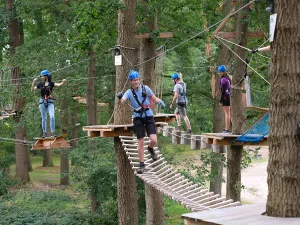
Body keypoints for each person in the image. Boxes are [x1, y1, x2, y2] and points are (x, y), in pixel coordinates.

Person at [116, 70, 166, 174]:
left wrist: (160, 102)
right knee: (140, 142)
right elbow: (123, 101)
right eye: (134, 80)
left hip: (148, 115)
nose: (136, 82)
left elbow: (153, 98)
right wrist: (120, 97)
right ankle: (142, 165)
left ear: (139, 80)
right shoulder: (129, 92)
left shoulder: (146, 88)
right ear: (131, 81)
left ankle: (150, 148)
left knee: (154, 140)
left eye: (137, 79)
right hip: (138, 117)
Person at [31, 70, 66, 138]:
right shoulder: (40, 84)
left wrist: (63, 82)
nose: (42, 77)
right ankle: (44, 133)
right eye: (41, 76)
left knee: (52, 116)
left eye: (43, 76)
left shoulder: (51, 83)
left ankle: (52, 132)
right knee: (44, 118)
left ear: (46, 76)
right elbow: (32, 89)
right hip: (42, 101)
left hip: (50, 101)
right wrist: (33, 82)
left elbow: (58, 85)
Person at [215, 65, 231, 133]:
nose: (219, 73)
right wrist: (218, 90)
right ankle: (226, 129)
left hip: (226, 97)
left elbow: (224, 91)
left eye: (221, 72)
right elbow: (222, 87)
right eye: (219, 72)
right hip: (228, 96)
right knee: (228, 113)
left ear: (224, 72)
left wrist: (221, 101)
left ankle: (227, 129)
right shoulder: (227, 78)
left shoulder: (223, 79)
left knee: (227, 113)